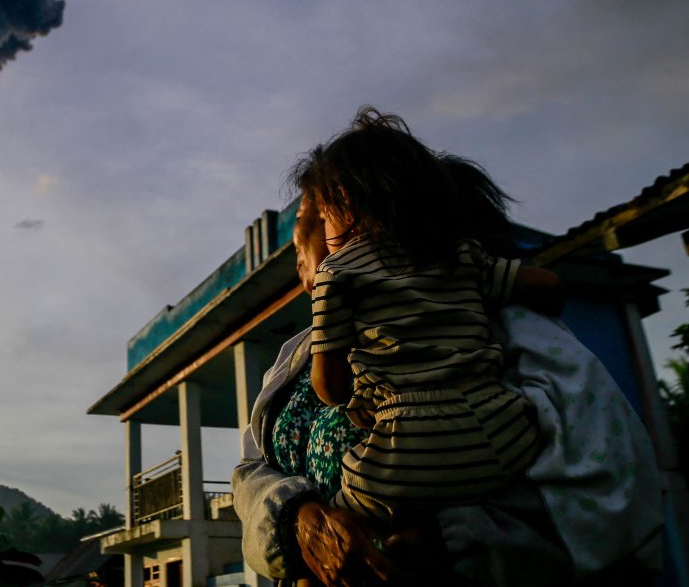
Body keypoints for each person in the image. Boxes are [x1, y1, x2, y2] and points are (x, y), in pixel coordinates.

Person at [232, 147, 664, 586]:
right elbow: (251, 472)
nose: (298, 238)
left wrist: (453, 542)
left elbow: (609, 502)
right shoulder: (298, 356)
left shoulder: (505, 334)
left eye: (313, 215)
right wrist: (298, 521)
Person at [293, 108, 562, 524]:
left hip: (406, 451)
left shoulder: (339, 273)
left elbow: (329, 387)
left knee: (340, 524)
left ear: (345, 206)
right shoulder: (462, 255)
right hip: (503, 438)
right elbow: (548, 285)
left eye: (323, 217)